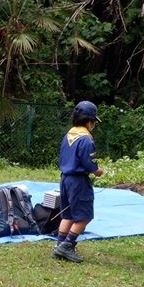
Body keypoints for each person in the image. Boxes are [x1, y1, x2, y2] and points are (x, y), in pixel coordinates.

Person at [53, 101, 104, 263]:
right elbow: (91, 165)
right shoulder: (86, 140)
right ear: (90, 121)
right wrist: (98, 171)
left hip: (65, 179)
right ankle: (67, 245)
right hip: (79, 182)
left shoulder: (68, 135)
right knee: (84, 216)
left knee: (67, 214)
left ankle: (58, 246)